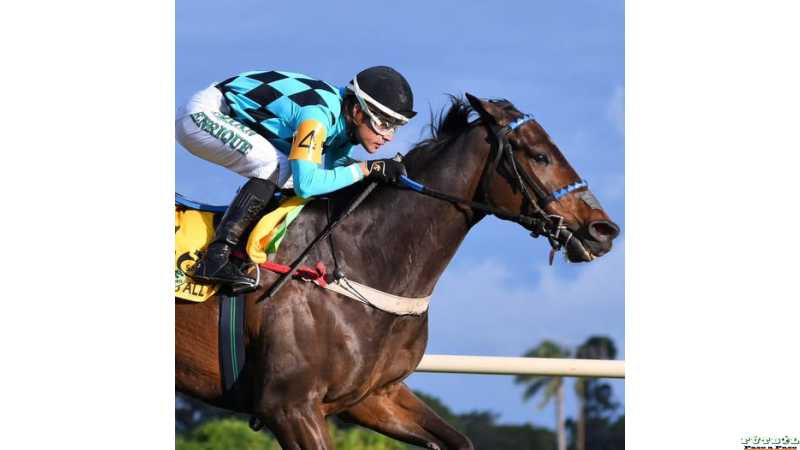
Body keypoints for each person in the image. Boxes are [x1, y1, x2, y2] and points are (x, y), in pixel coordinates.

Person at [176, 66, 416, 292]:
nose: (388, 137)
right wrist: (366, 169)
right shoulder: (318, 116)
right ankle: (215, 258)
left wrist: (374, 174)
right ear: (357, 111)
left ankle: (244, 250)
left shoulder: (344, 124)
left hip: (222, 112)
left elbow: (336, 171)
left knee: (290, 176)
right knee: (277, 166)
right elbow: (307, 185)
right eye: (383, 124)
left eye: (395, 128)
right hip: (204, 114)